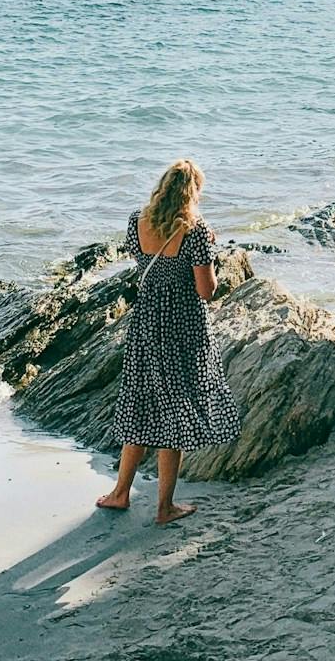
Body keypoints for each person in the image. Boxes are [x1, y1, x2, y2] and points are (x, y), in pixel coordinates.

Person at [95, 159, 241, 525]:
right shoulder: (196, 232)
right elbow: (206, 292)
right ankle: (164, 507)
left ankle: (119, 494)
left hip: (146, 324)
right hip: (182, 329)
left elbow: (142, 263)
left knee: (142, 405)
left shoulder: (136, 222)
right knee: (174, 413)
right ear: (193, 194)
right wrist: (212, 252)